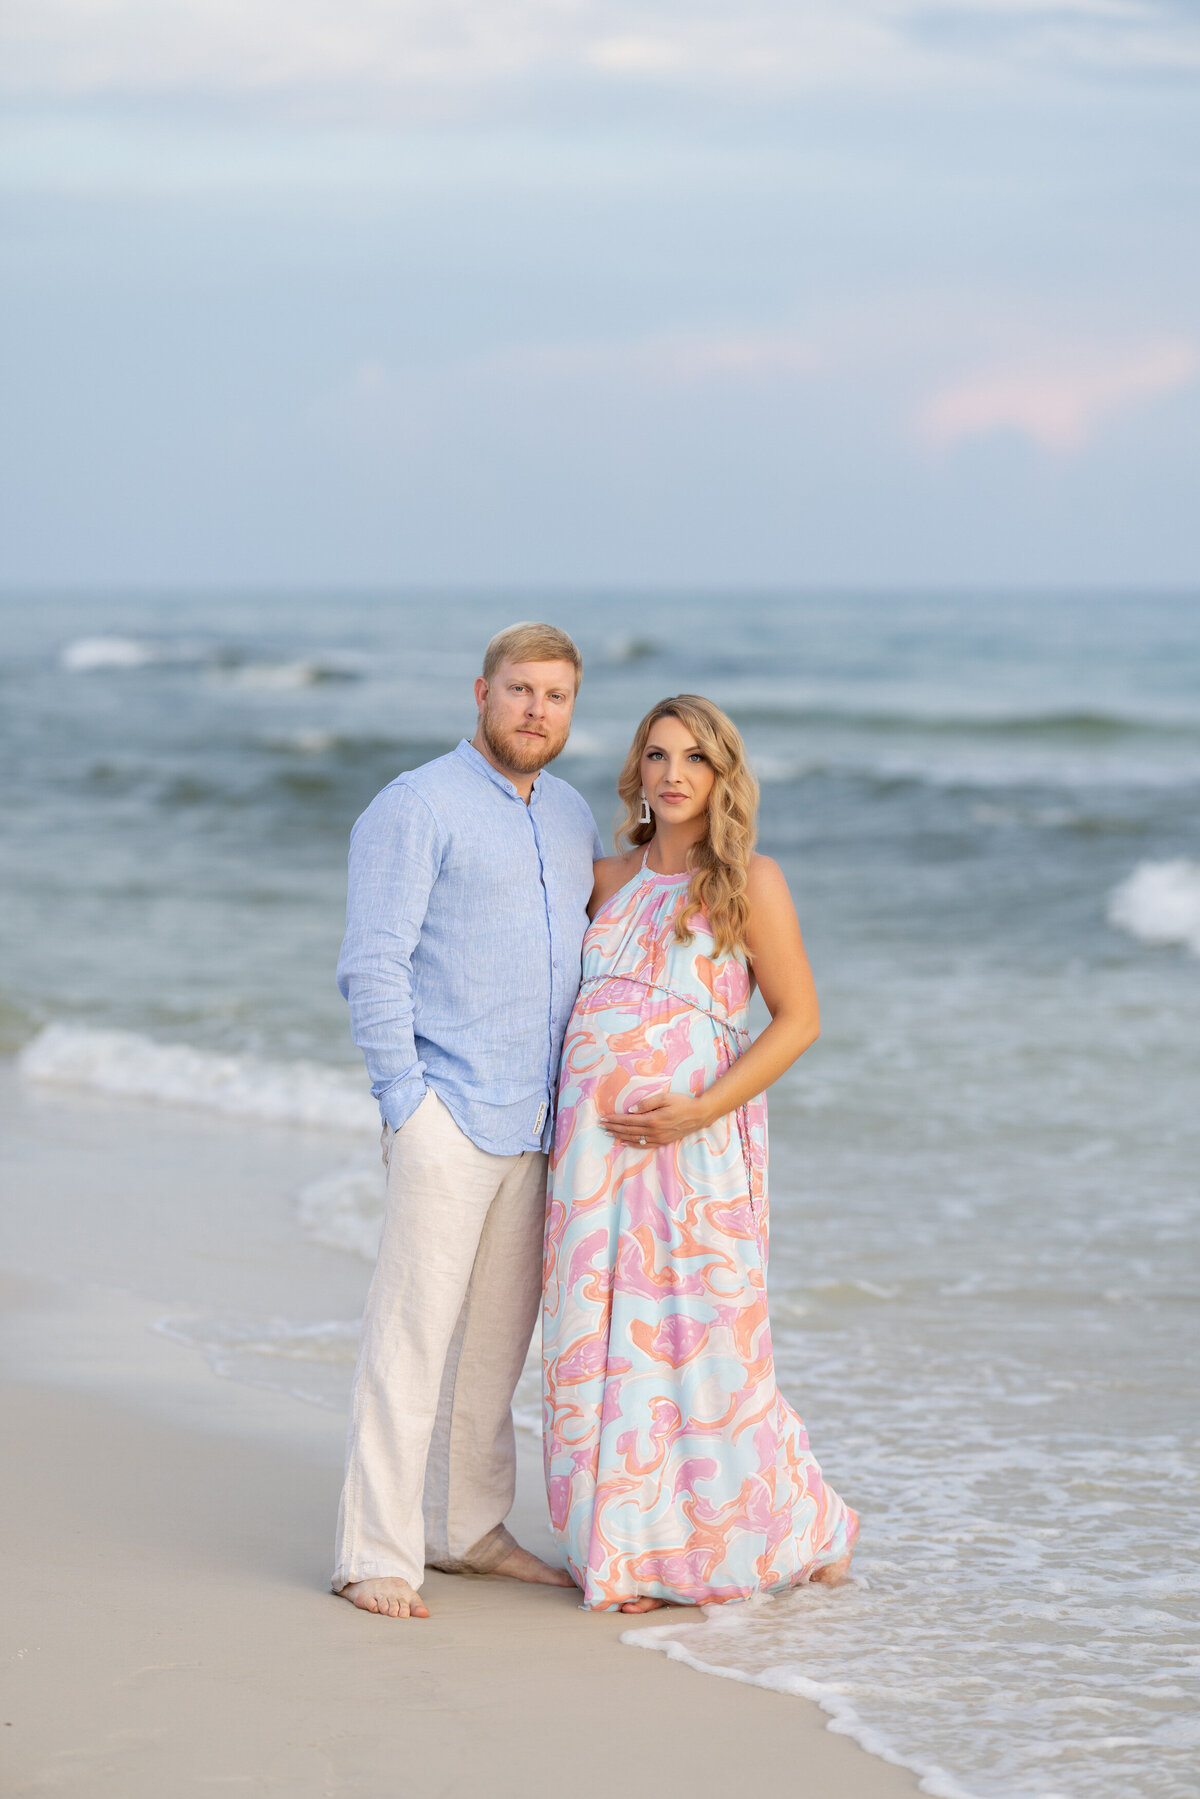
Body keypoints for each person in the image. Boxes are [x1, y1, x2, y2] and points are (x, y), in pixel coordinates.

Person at [542, 694, 857, 1613]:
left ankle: (787, 1527)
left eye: (693, 758)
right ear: (636, 771)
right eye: (656, 754)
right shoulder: (603, 879)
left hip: (698, 1150)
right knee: (596, 1340)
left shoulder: (748, 881)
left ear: (723, 776)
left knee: (705, 1337)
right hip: (590, 1159)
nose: (673, 773)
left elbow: (798, 1021)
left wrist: (699, 1111)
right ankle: (626, 1546)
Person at [333, 622, 602, 1619]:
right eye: (521, 690)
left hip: (539, 1119)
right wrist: (408, 1100)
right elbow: (373, 961)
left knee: (497, 1344)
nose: (537, 711)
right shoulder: (415, 805)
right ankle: (374, 1549)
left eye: (557, 696)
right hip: (447, 1107)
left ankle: (470, 1528)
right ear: (480, 691)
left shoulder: (572, 812)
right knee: (409, 1337)